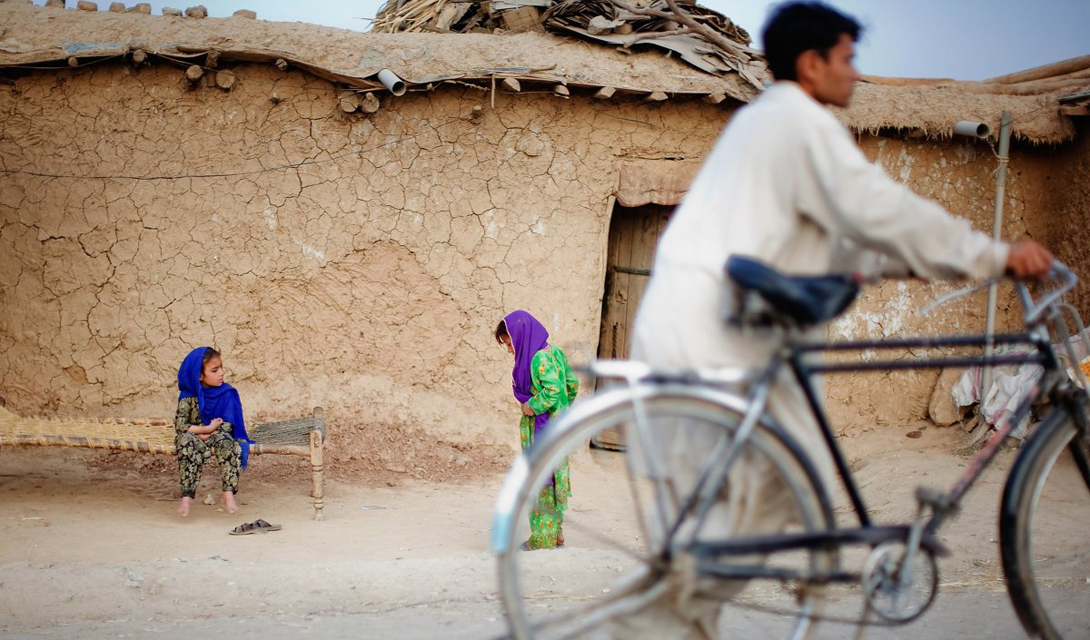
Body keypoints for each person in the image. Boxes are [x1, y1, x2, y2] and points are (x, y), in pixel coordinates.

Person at [621, 2, 1054, 637]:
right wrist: (993, 254)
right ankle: (646, 624)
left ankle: (676, 618)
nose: (856, 74)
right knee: (770, 490)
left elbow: (858, 246)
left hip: (712, 321)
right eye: (848, 59)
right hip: (720, 330)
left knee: (743, 499)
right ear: (812, 63)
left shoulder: (763, 124)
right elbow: (881, 212)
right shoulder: (799, 124)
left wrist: (955, 263)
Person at [496, 310, 579, 550]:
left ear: (521, 336)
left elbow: (552, 391)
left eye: (510, 343)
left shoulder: (537, 360)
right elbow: (571, 385)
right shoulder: (554, 352)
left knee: (540, 480)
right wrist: (561, 411)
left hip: (541, 431)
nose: (510, 350)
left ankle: (542, 539)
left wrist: (532, 406)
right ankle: (556, 534)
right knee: (551, 478)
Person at [174, 346, 252, 517]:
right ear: (199, 376)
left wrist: (209, 432)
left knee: (229, 444)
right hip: (196, 435)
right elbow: (180, 425)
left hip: (217, 434)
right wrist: (204, 429)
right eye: (215, 370)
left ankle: (228, 492)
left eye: (221, 368)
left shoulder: (226, 393)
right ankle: (186, 496)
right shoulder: (188, 396)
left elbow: (228, 425)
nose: (221, 373)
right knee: (184, 442)